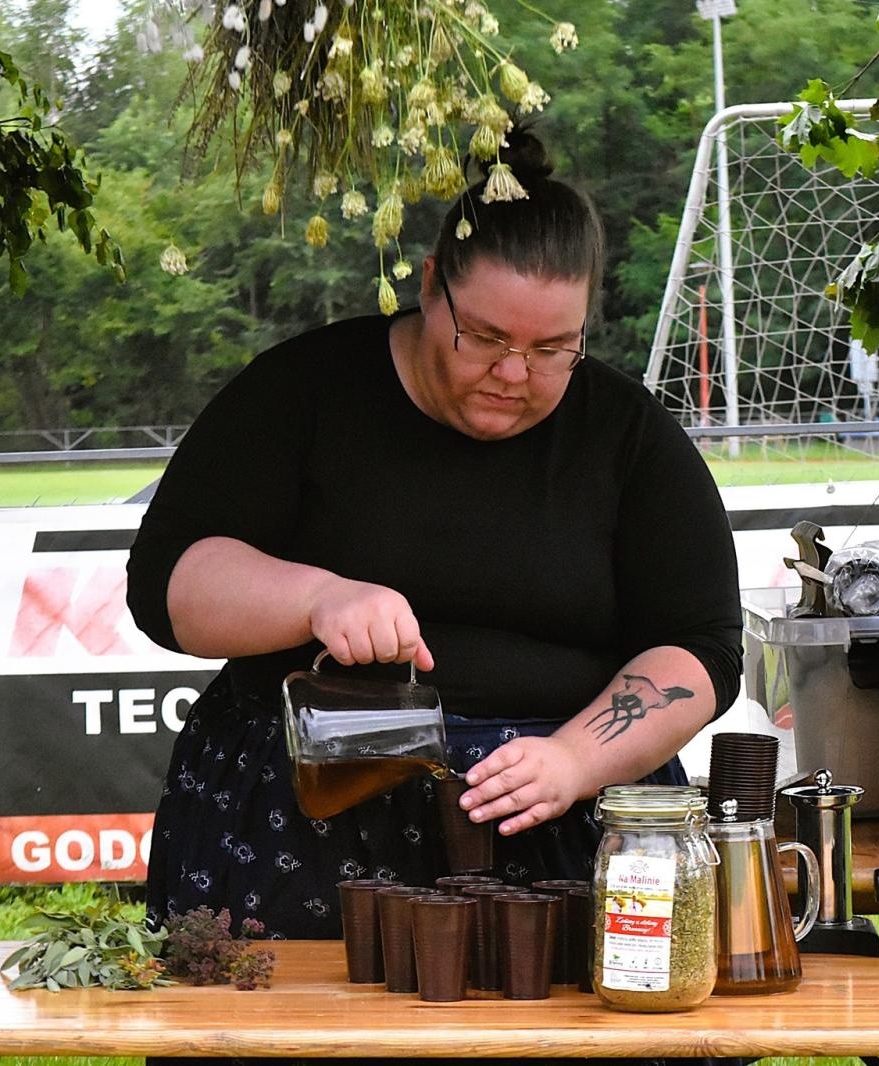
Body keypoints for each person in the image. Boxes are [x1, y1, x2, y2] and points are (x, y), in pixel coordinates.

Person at [126, 133, 742, 971]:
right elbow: (167, 585)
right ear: (428, 287)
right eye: (484, 337)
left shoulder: (629, 437)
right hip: (297, 819)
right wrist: (317, 598)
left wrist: (574, 758)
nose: (515, 373)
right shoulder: (302, 393)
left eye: (553, 349)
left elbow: (700, 650)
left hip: (557, 824)